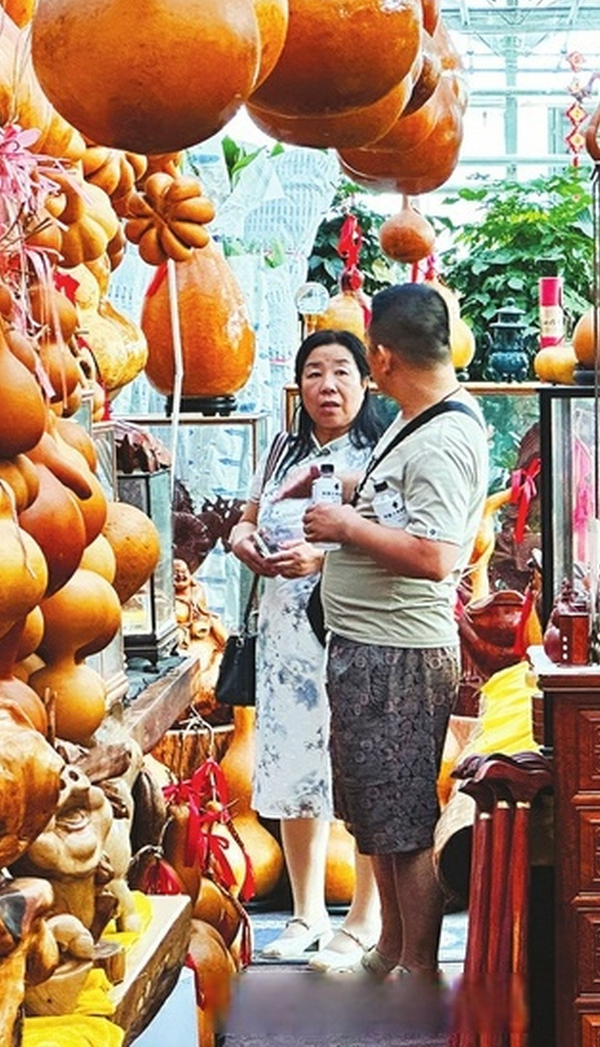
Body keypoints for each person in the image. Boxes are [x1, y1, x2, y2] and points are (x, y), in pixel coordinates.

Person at [301, 283, 490, 984]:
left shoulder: (443, 436)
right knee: (377, 814)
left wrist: (346, 529)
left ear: (381, 357)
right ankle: (390, 952)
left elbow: (440, 554)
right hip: (370, 648)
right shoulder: (421, 416)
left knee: (404, 820)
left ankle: (417, 971)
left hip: (399, 655)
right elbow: (404, 504)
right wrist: (349, 489)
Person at [227, 330, 385, 967]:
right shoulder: (282, 451)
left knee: (357, 766)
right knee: (295, 764)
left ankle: (367, 917)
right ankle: (306, 912)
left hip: (351, 628)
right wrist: (242, 538)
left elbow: (390, 536)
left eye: (342, 372)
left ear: (367, 382)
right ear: (299, 386)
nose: (328, 386)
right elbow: (249, 513)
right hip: (286, 635)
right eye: (315, 373)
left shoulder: (379, 452)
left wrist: (322, 557)